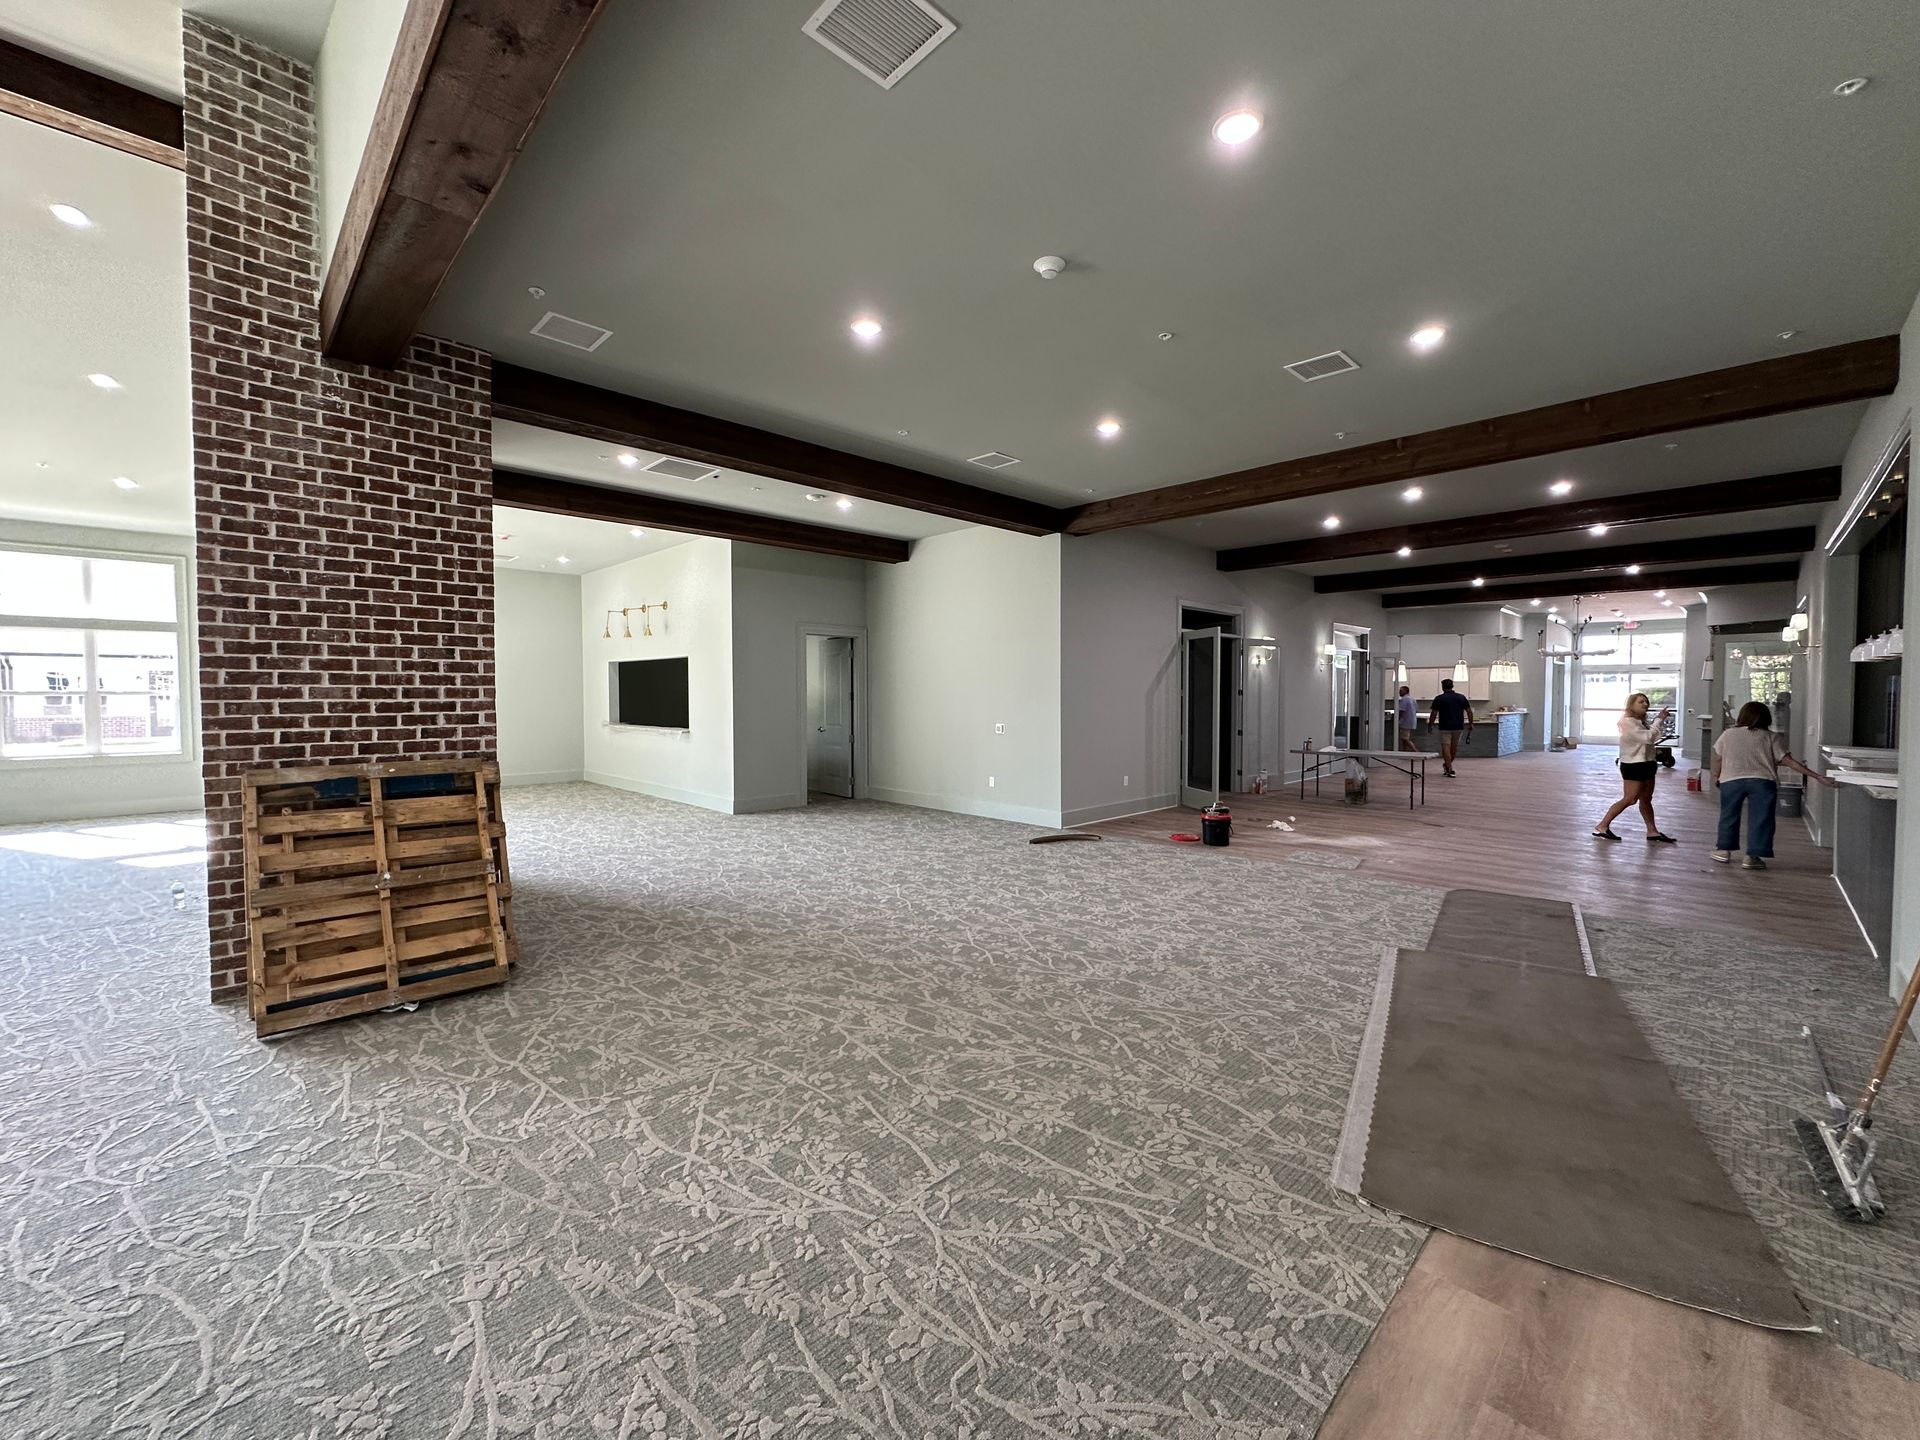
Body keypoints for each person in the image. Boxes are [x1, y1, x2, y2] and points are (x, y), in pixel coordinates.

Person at [1712, 700, 1836, 869]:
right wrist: (1817, 776)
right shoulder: (1771, 737)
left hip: (1731, 781)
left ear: (1742, 716)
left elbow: (1719, 758)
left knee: (1728, 815)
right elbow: (1789, 761)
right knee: (1761, 819)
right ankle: (1752, 857)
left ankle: (1723, 851)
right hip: (1762, 782)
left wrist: (1716, 776)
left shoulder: (1728, 734)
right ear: (1766, 718)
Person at [1592, 692, 1675, 843]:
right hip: (1633, 765)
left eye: (1646, 702)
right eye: (1641, 702)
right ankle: (1602, 826)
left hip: (1647, 763)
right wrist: (1659, 720)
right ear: (1631, 705)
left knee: (1646, 799)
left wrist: (1658, 722)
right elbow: (1648, 737)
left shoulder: (1640, 722)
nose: (1645, 704)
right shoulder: (1627, 722)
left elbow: (1653, 737)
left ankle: (1652, 831)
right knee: (1630, 799)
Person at [1429, 678, 1473, 777]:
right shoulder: (1461, 697)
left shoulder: (1439, 698)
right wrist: (1470, 723)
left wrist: (1430, 725)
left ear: (1442, 687)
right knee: (1454, 748)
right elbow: (1469, 711)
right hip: (1458, 726)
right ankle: (1449, 767)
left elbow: (1434, 713)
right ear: (1452, 686)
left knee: (1446, 748)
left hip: (1444, 727)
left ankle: (1448, 766)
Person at [1395, 685, 1419, 752]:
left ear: (1406, 691)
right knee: (1404, 738)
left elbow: (1402, 710)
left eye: (1401, 691)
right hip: (1412, 721)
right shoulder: (1412, 699)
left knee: (1405, 738)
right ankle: (1405, 752)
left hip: (1405, 721)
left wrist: (1397, 720)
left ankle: (1416, 751)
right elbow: (1416, 710)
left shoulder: (1404, 699)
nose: (1399, 692)